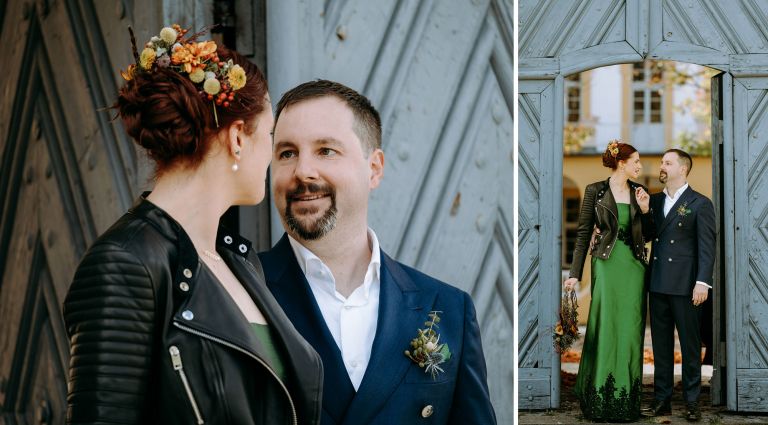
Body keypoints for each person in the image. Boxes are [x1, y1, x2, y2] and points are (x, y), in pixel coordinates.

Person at [63, 25, 322, 424]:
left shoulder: (239, 261)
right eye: (270, 137)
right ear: (238, 137)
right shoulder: (125, 264)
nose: (272, 159)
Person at [258, 79, 496, 425]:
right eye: (287, 153)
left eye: (326, 150)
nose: (302, 171)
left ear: (374, 168)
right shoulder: (240, 292)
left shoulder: (448, 309)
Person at [563, 140, 653, 422]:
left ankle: (626, 401)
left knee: (631, 327)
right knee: (605, 325)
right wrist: (575, 273)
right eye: (636, 161)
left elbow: (649, 235)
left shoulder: (641, 193)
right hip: (606, 264)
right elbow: (582, 233)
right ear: (621, 163)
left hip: (635, 267)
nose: (640, 166)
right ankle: (600, 398)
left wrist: (647, 211)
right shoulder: (595, 191)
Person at [643, 149, 715, 422]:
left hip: (687, 287)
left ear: (682, 169)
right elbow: (649, 236)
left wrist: (702, 283)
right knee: (660, 346)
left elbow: (707, 248)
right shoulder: (654, 200)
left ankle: (693, 401)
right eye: (662, 162)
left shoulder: (700, 203)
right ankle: (662, 400)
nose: (662, 166)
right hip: (659, 282)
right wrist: (645, 212)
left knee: (689, 345)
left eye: (667, 163)